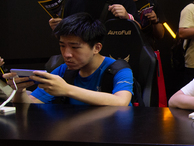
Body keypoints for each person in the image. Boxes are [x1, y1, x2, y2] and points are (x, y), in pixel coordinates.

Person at [5, 13, 133, 106]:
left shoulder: (118, 69)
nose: (66, 54)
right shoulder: (63, 71)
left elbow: (121, 101)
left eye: (75, 47)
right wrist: (20, 91)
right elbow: (31, 104)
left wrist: (66, 89)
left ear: (96, 48)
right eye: (62, 46)